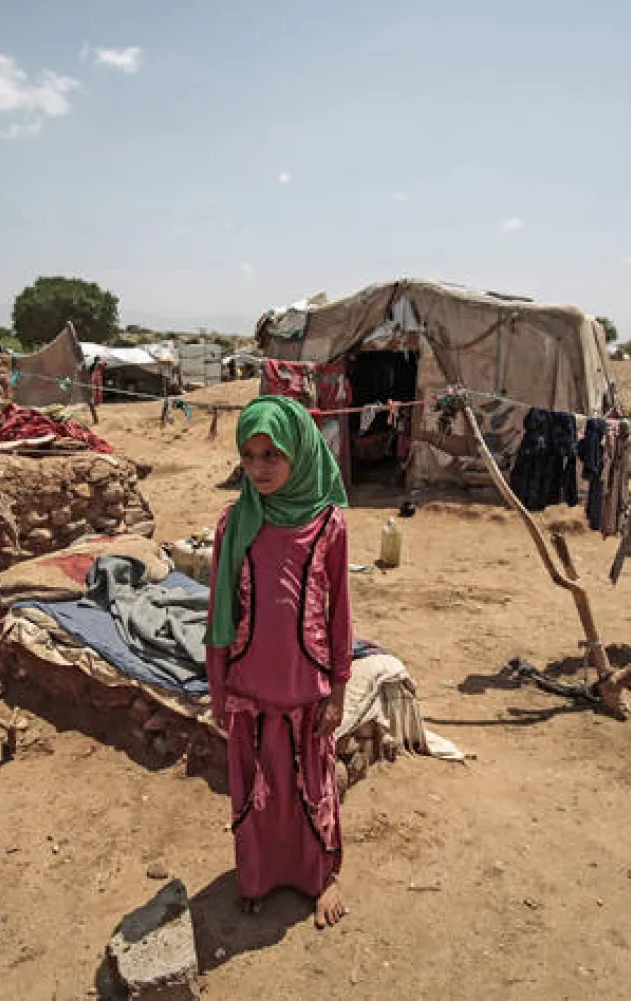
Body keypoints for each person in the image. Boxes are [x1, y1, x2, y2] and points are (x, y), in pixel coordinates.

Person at [206, 395, 352, 929]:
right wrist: (219, 690)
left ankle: (321, 878)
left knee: (312, 787)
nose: (260, 467)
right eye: (249, 455)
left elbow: (340, 615)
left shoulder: (328, 524)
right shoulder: (235, 521)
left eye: (273, 454)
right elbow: (219, 612)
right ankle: (258, 877)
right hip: (249, 684)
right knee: (257, 789)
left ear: (301, 454)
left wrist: (337, 689)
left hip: (307, 685)